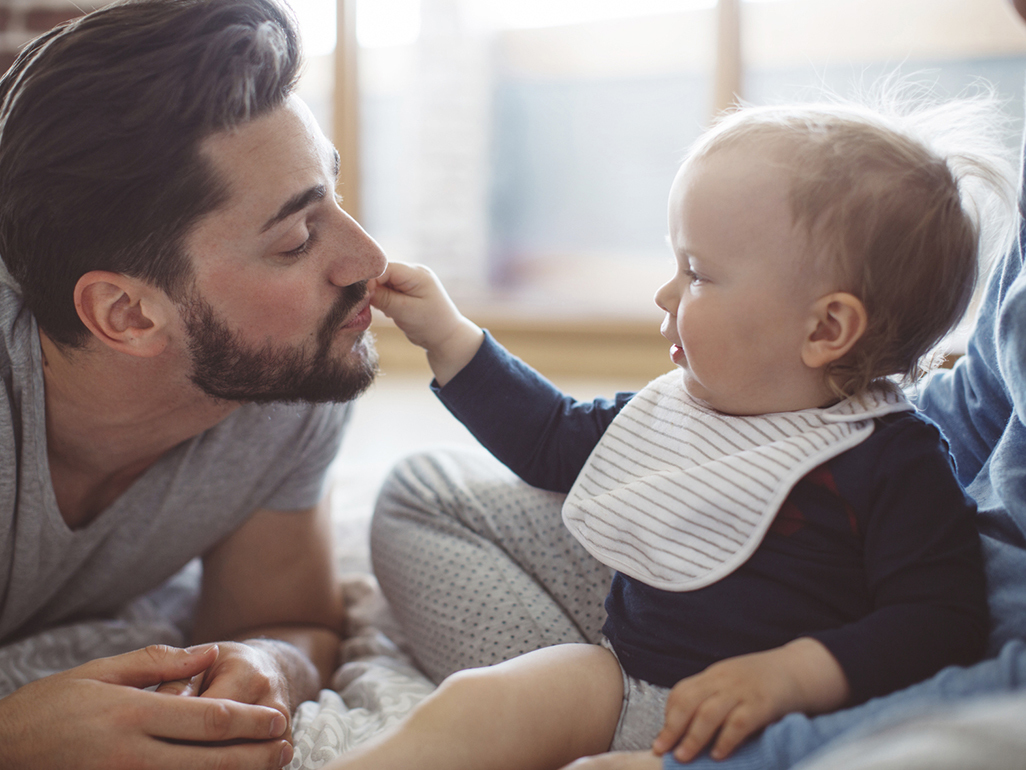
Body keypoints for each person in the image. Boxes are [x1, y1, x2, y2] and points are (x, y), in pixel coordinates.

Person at [349, 92, 1012, 770]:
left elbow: (939, 621)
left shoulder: (896, 458)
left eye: (695, 273)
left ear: (825, 329)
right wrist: (449, 337)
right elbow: (549, 439)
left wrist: (791, 675)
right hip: (620, 683)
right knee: (474, 703)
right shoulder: (688, 407)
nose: (665, 295)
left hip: (763, 727)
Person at [0, 0, 387, 768]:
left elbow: (289, 617)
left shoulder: (285, 374)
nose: (369, 261)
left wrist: (273, 664)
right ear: (126, 313)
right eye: (299, 238)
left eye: (334, 197)